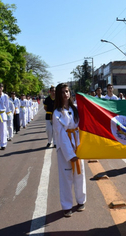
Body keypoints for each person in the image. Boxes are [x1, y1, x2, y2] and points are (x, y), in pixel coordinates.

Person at [52, 83, 86, 217]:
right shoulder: (56, 113)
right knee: (66, 177)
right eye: (62, 92)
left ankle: (81, 200)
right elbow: (61, 135)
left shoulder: (76, 108)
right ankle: (66, 206)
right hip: (65, 148)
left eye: (67, 91)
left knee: (80, 173)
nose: (65, 94)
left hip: (78, 144)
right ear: (59, 95)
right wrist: (70, 154)